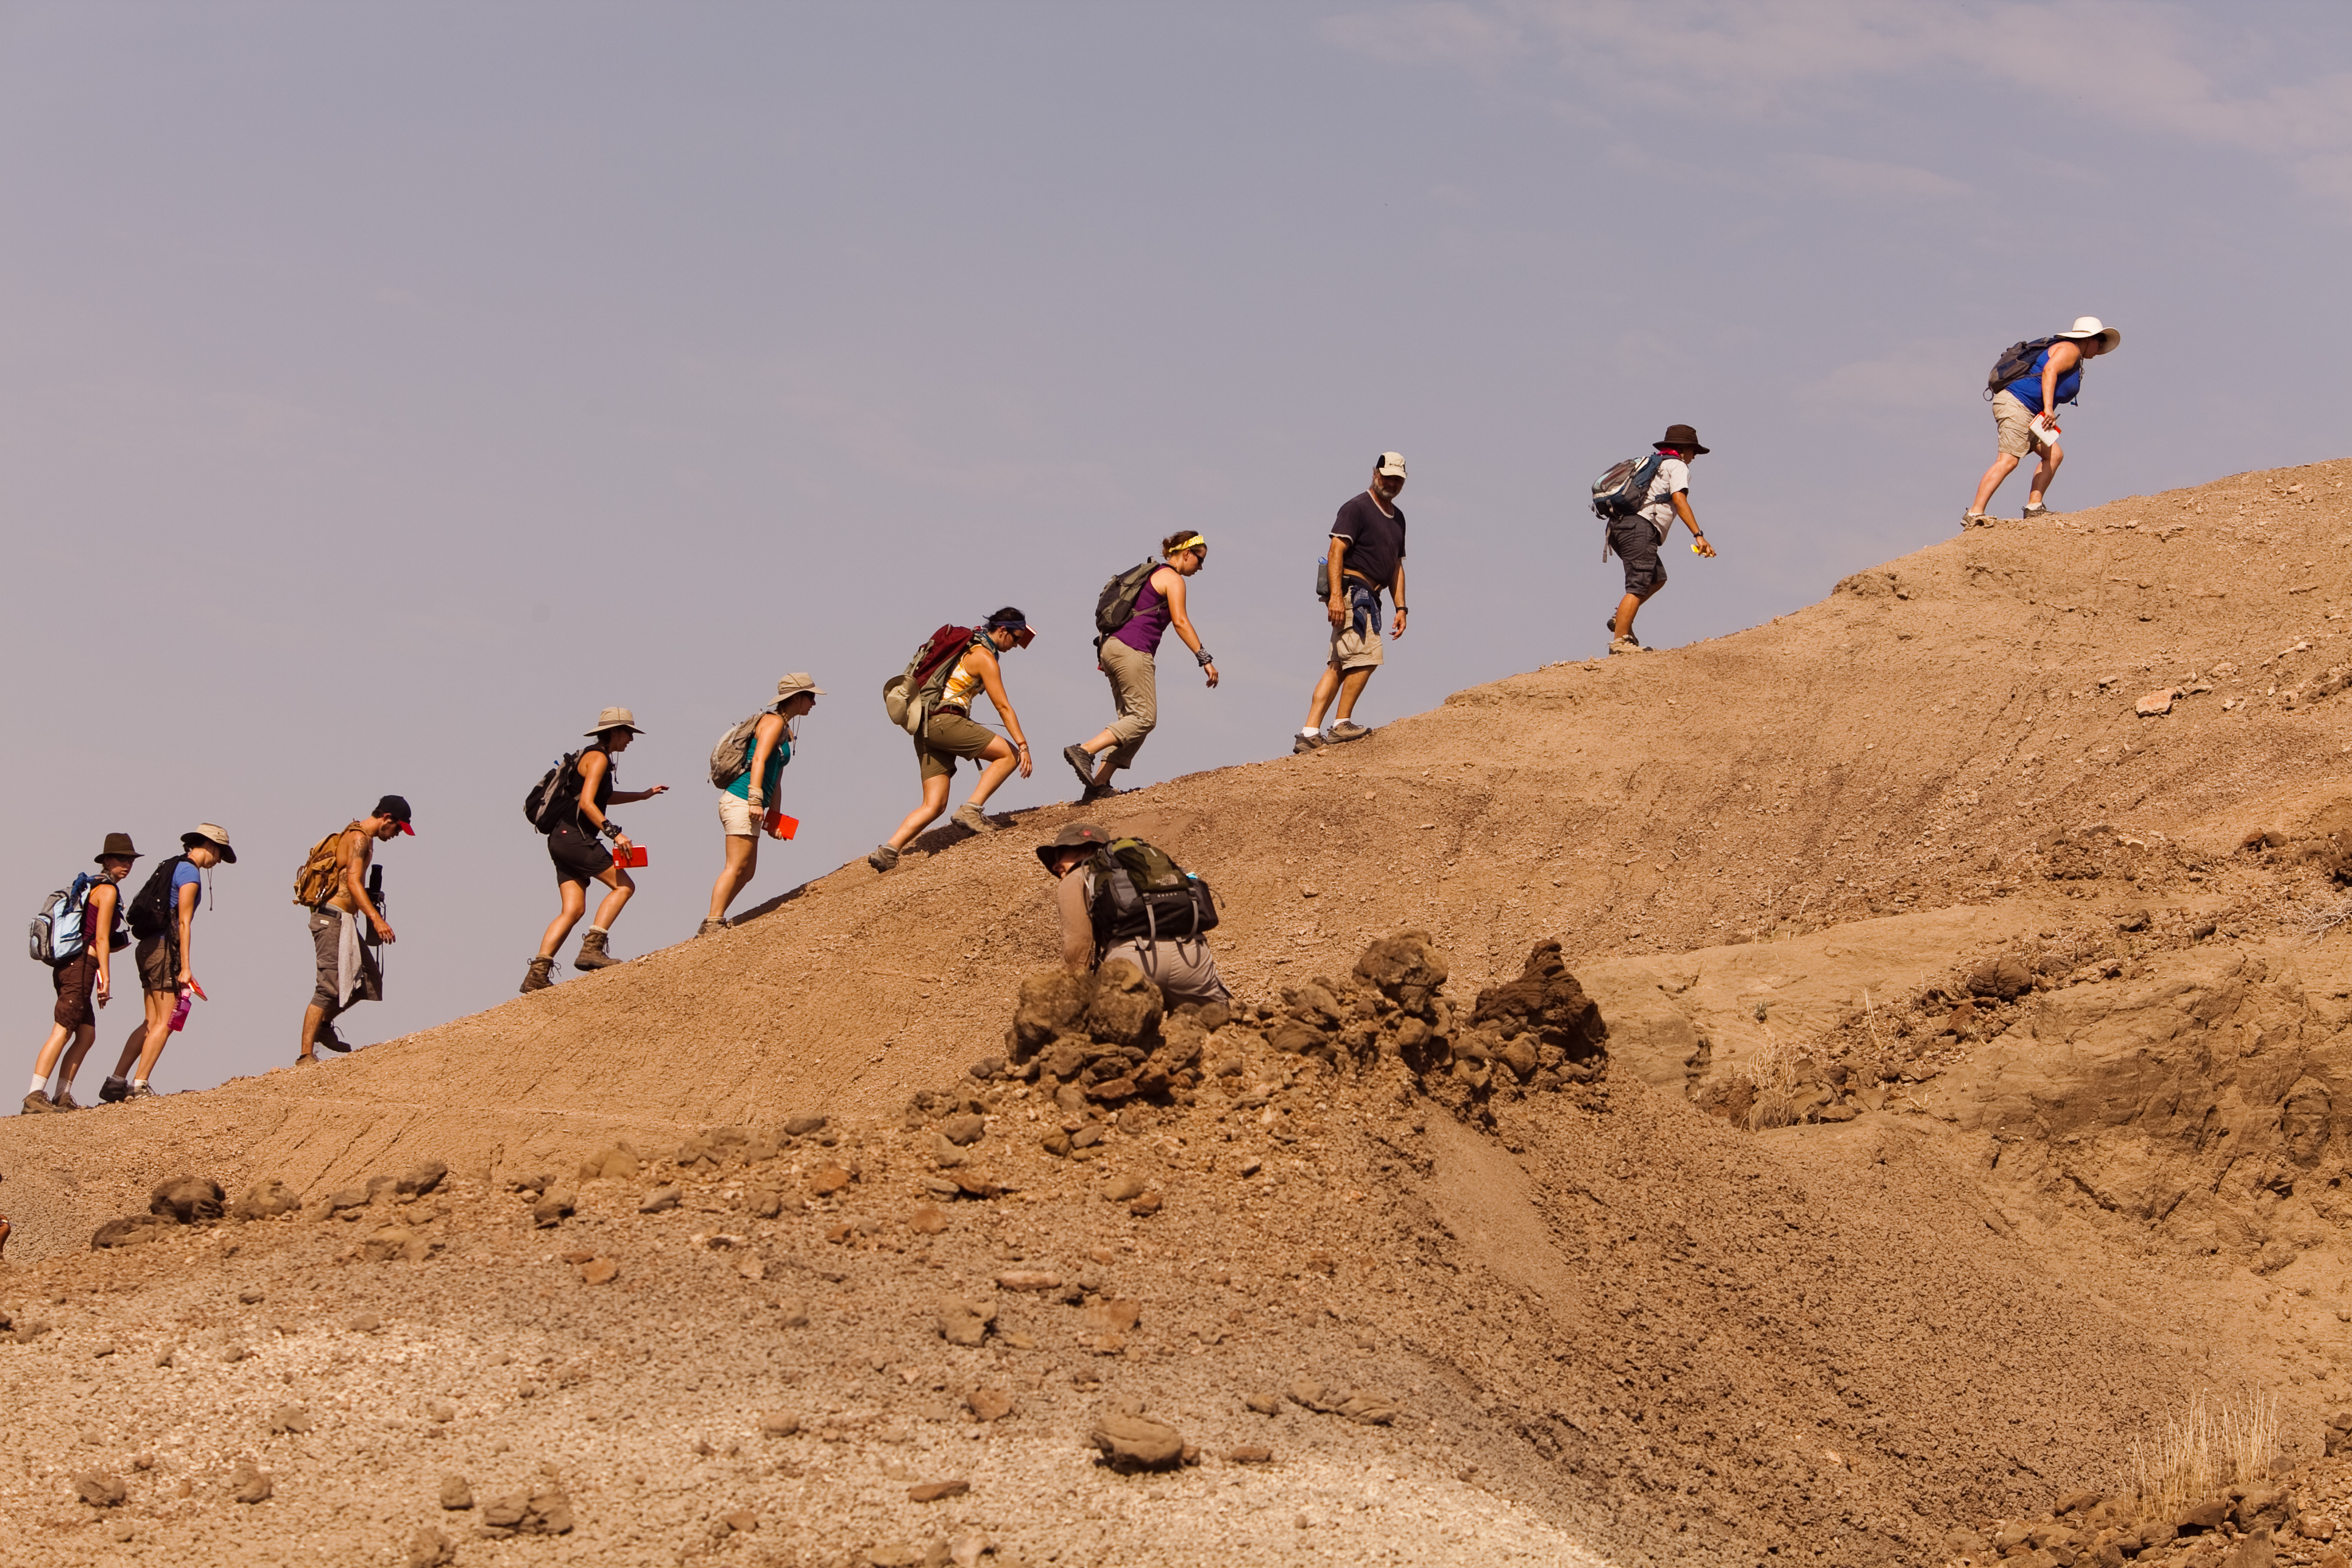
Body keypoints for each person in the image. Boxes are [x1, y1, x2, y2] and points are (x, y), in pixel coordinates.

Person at [868, 610, 1036, 872]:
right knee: (1009, 755)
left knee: (934, 804)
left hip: (924, 725)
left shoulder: (966, 648)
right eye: (1015, 639)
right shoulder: (984, 657)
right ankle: (971, 809)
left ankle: (888, 850)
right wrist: (1023, 745)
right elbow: (1003, 707)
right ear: (1002, 631)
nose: (1015, 646)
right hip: (944, 721)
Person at [523, 708, 669, 991]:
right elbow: (589, 803)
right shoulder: (599, 758)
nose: (631, 739)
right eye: (628, 733)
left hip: (560, 838)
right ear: (614, 732)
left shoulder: (591, 757)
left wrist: (643, 795)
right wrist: (615, 833)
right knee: (624, 886)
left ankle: (537, 973)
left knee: (573, 909)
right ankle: (592, 949)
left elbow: (604, 797)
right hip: (574, 836)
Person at [1064, 534, 1219, 802]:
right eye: (1200, 559)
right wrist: (1204, 657)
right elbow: (1181, 622)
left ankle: (1099, 784)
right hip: (1132, 649)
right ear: (1185, 554)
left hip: (1110, 648)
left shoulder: (1150, 575)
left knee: (1132, 721)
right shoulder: (1172, 578)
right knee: (1144, 718)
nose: (1201, 567)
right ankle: (1084, 750)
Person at [99, 824, 234, 1104]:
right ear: (209, 846)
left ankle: (116, 1082)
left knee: (151, 1020)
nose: (219, 861)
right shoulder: (189, 872)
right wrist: (186, 967)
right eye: (220, 853)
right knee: (167, 1019)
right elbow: (183, 922)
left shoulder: (172, 865)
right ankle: (139, 1085)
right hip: (163, 948)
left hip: (147, 946)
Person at [1034, 822, 1231, 1006]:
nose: (1055, 865)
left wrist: (1072, 997)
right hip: (1193, 957)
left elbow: (1078, 942)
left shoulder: (1079, 877)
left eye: (1060, 855)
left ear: (1087, 849)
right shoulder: (1150, 867)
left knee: (1117, 1035)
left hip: (1132, 962)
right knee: (1208, 1033)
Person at [1297, 453, 1411, 754]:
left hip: (1372, 595)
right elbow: (1336, 550)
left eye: (1398, 479)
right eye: (1387, 477)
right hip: (1354, 593)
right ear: (1375, 473)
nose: (1392, 483)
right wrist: (1336, 596)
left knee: (1338, 664)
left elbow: (1396, 566)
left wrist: (1401, 607)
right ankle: (1340, 724)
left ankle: (1310, 731)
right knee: (1367, 658)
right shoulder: (1357, 508)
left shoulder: (1398, 518)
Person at [1965, 316, 2122, 526]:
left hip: (2031, 413)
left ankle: (2034, 507)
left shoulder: (2073, 355)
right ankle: (1975, 514)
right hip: (2017, 405)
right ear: (2088, 339)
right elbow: (2050, 371)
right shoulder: (2070, 350)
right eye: (2099, 341)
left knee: (2054, 455)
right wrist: (2048, 409)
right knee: (2008, 460)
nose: (2100, 347)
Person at [23, 833, 136, 1114]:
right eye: (121, 859)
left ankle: (62, 1095)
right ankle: (34, 1096)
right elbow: (100, 938)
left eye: (130, 860)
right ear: (107, 860)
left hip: (75, 966)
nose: (127, 864)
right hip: (80, 968)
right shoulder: (107, 891)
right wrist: (106, 979)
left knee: (86, 1035)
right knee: (62, 1030)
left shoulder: (94, 887)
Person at [702, 674, 823, 936]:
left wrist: (774, 818)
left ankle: (715, 919)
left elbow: (776, 777)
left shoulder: (785, 730)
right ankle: (713, 921)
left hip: (752, 804)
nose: (814, 703)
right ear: (796, 698)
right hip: (741, 799)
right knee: (736, 866)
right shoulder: (773, 722)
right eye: (810, 697)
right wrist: (756, 799)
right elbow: (758, 760)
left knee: (747, 872)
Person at [297, 796, 412, 1065]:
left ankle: (325, 1025)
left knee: (370, 981)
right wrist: (376, 919)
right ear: (387, 819)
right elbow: (351, 881)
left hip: (344, 920)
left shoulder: (364, 838)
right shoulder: (360, 839)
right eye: (398, 828)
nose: (397, 835)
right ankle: (304, 1055)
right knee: (327, 989)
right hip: (331, 919)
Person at [1608, 423, 1718, 652]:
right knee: (1638, 584)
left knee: (1657, 578)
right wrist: (1699, 536)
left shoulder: (1652, 464)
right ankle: (1620, 643)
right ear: (1683, 448)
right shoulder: (1677, 466)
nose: (1694, 457)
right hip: (1640, 527)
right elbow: (1679, 500)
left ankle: (1621, 619)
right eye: (1694, 451)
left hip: (1619, 526)